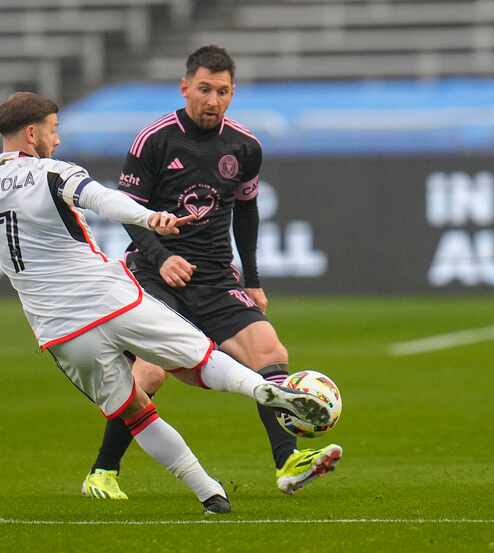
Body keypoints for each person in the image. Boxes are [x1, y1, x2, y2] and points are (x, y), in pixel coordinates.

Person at [0, 91, 334, 514]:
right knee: (198, 359)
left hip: (59, 331)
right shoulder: (51, 172)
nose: (56, 140)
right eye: (53, 130)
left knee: (136, 411)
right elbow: (103, 199)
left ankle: (209, 493)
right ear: (31, 133)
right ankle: (264, 390)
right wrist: (150, 217)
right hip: (108, 298)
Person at [81, 45, 343, 500]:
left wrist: (254, 279)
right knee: (150, 374)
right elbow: (128, 212)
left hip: (215, 278)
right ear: (185, 88)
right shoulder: (154, 140)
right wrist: (162, 256)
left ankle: (288, 462)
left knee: (268, 350)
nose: (213, 100)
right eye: (204, 89)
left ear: (232, 93)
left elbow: (246, 212)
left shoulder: (244, 146)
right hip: (154, 273)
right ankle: (103, 471)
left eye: (222, 92)